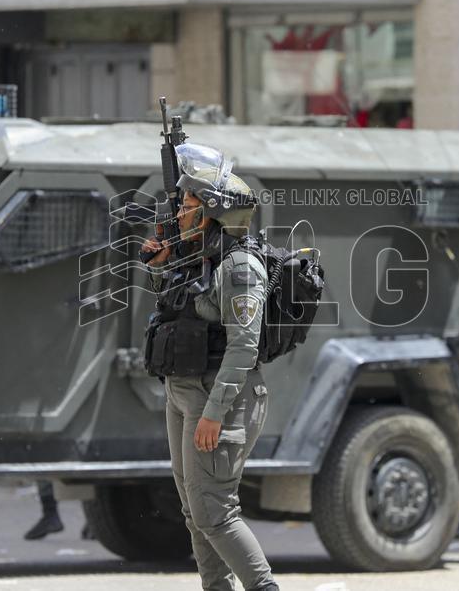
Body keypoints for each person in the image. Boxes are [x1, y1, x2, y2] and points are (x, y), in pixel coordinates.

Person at [140, 143, 277, 591]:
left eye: (190, 205)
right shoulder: (199, 255)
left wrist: (215, 413)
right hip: (183, 392)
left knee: (215, 511)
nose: (180, 212)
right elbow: (175, 306)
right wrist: (159, 266)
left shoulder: (239, 267)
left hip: (219, 397)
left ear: (213, 213)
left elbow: (243, 348)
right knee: (195, 511)